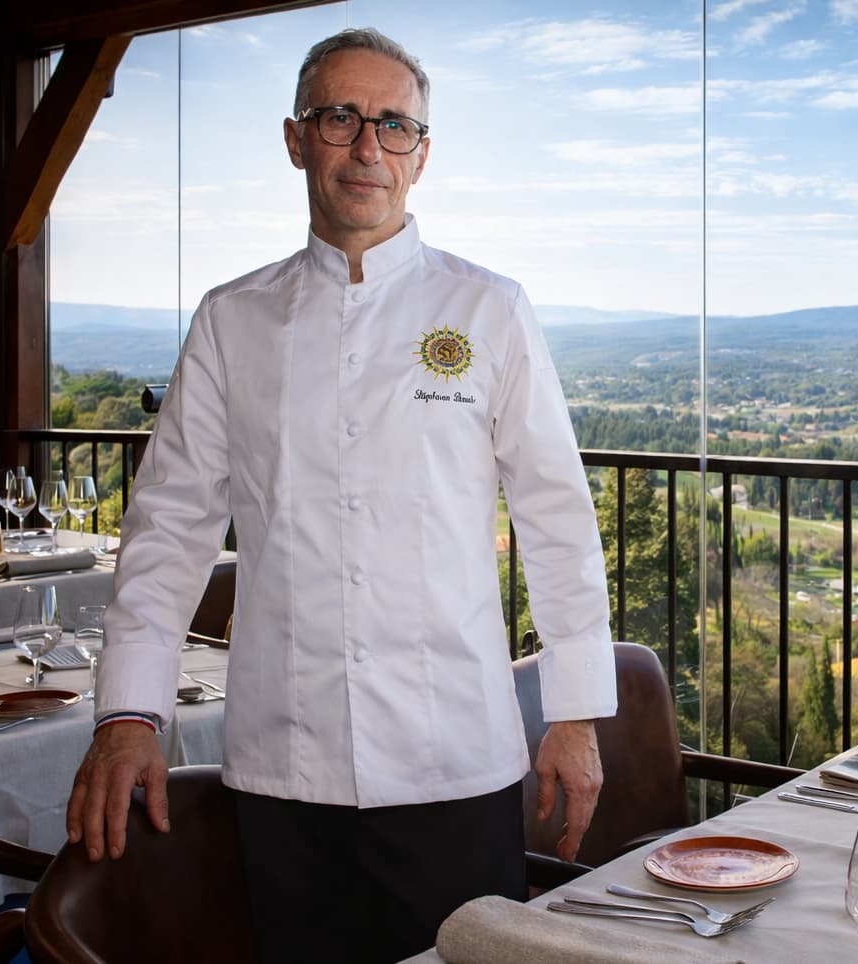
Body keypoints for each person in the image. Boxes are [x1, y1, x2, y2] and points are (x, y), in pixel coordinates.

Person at [64, 27, 616, 963]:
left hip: (456, 760)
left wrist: (574, 715)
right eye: (340, 118)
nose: (368, 147)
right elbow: (168, 529)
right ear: (296, 139)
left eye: (394, 124)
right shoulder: (231, 320)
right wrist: (127, 715)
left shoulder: (490, 310)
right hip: (284, 767)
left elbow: (557, 521)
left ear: (421, 155)